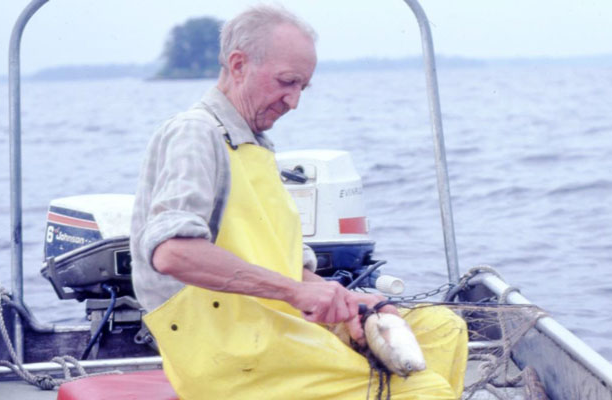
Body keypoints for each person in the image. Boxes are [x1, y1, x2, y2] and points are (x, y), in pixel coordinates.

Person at [130, 5, 467, 399]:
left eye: (301, 88)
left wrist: (345, 300)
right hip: (228, 349)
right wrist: (296, 293)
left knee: (442, 328)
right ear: (238, 65)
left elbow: (277, 267)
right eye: (286, 82)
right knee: (422, 391)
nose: (293, 102)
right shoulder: (195, 133)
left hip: (274, 325)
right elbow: (172, 254)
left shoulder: (252, 144)